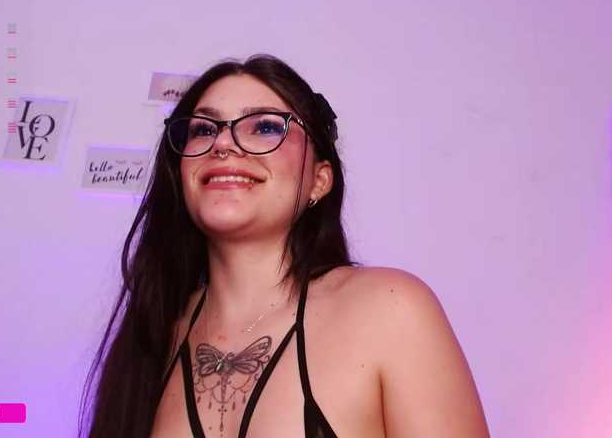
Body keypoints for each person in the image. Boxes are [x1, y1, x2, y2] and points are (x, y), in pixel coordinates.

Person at [80, 54, 490, 438]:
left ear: (319, 181)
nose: (223, 144)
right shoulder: (153, 334)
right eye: (204, 129)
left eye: (265, 127)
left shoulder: (389, 308)